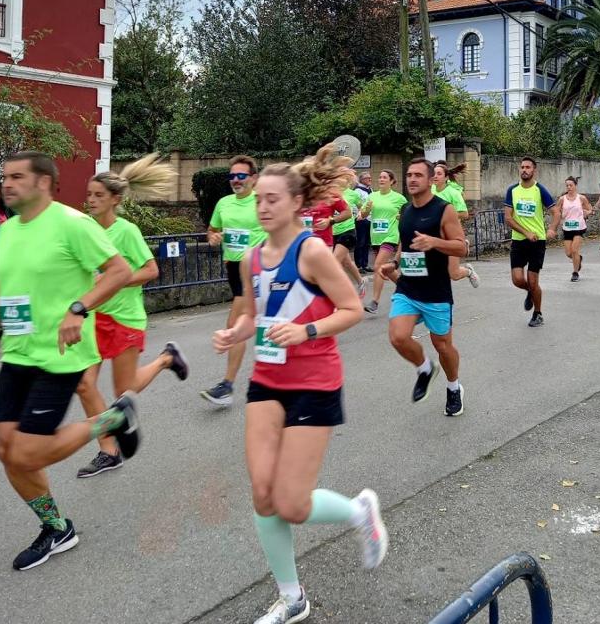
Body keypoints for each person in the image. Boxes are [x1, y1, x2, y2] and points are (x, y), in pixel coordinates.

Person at [210, 146, 385, 624]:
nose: (263, 206)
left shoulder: (311, 251)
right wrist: (234, 333)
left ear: (294, 204)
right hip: (267, 382)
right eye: (259, 199)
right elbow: (253, 315)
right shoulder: (250, 258)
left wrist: (307, 330)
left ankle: (357, 511)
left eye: (272, 199)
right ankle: (292, 599)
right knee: (263, 496)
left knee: (290, 501)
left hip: (314, 382)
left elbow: (350, 309)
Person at [0, 152, 137, 571]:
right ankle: (56, 528)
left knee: (27, 453)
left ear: (44, 183)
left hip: (61, 356)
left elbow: (119, 271)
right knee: (8, 453)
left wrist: (79, 308)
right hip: (18, 352)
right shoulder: (8, 230)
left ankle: (110, 420)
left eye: (17, 177)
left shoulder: (72, 223)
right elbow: (1, 284)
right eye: (4, 177)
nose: (7, 184)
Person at [74, 156, 191, 478]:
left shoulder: (126, 232)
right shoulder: (84, 229)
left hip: (125, 317)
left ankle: (166, 358)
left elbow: (151, 270)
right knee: (83, 384)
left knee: (123, 390)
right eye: (89, 195)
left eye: (98, 195)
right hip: (93, 317)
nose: (92, 201)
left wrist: (115, 278)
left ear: (115, 199)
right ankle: (108, 450)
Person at [381, 158, 469, 415]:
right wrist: (394, 262)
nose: (412, 179)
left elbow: (461, 246)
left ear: (431, 180)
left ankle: (453, 387)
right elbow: (405, 243)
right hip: (409, 287)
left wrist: (435, 242)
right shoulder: (406, 211)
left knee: (442, 345)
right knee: (398, 336)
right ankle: (425, 368)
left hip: (436, 290)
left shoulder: (444, 210)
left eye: (418, 175)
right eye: (409, 174)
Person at [201, 156, 267, 408]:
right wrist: (213, 237)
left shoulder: (261, 200)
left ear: (253, 178)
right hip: (233, 269)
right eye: (232, 176)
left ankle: (227, 386)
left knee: (236, 325)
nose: (236, 181)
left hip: (255, 268)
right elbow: (212, 229)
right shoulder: (224, 203)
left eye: (241, 176)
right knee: (260, 323)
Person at [504, 157, 558, 327]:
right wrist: (525, 232)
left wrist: (552, 229)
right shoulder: (512, 190)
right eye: (522, 167)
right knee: (517, 279)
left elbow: (556, 212)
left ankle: (538, 313)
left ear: (534, 170)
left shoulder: (540, 190)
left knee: (533, 281)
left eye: (528, 167)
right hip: (519, 240)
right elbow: (508, 218)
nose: (524, 170)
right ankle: (530, 291)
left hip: (537, 241)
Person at [360, 170, 408, 315]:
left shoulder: (399, 198)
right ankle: (407, 288)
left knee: (378, 266)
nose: (381, 179)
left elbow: (409, 212)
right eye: (379, 177)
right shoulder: (372, 196)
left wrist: (403, 216)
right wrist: (366, 210)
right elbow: (363, 215)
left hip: (390, 236)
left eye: (384, 177)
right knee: (385, 269)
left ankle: (374, 302)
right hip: (376, 236)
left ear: (392, 181)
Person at [432, 161, 480, 288]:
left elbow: (464, 214)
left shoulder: (453, 193)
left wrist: (445, 217)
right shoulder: (430, 191)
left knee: (454, 274)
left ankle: (469, 271)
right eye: (433, 173)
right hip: (434, 234)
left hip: (451, 235)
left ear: (446, 177)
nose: (435, 176)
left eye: (439, 174)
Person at [331, 170, 372, 300]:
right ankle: (361, 282)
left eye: (342, 178)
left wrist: (361, 214)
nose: (339, 180)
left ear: (348, 181)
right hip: (333, 231)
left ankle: (337, 295)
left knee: (334, 262)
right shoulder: (331, 193)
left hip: (348, 231)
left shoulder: (353, 194)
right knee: (347, 262)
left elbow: (362, 206)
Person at [558, 177, 592, 282]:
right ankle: (578, 259)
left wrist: (587, 212)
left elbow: (589, 209)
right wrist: (558, 217)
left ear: (575, 185)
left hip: (579, 227)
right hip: (567, 227)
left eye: (571, 185)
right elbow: (556, 211)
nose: (569, 187)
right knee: (568, 253)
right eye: (567, 185)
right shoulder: (562, 199)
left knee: (574, 250)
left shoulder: (581, 198)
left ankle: (575, 272)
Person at [354, 172, 374, 273]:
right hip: (361, 219)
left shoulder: (370, 190)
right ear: (361, 180)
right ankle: (358, 265)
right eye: (368, 178)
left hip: (370, 219)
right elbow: (355, 205)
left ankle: (365, 264)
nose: (370, 180)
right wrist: (359, 216)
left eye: (370, 178)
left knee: (367, 243)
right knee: (361, 242)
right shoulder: (358, 191)